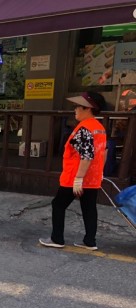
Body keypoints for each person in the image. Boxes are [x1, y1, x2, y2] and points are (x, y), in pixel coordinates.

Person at [39, 91, 107, 251]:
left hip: (75, 177)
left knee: (58, 205)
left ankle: (57, 238)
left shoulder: (83, 129)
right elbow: (104, 152)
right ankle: (90, 241)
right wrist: (100, 172)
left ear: (87, 108)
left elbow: (87, 155)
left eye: (77, 106)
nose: (75, 109)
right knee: (89, 208)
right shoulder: (99, 128)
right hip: (93, 178)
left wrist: (78, 179)